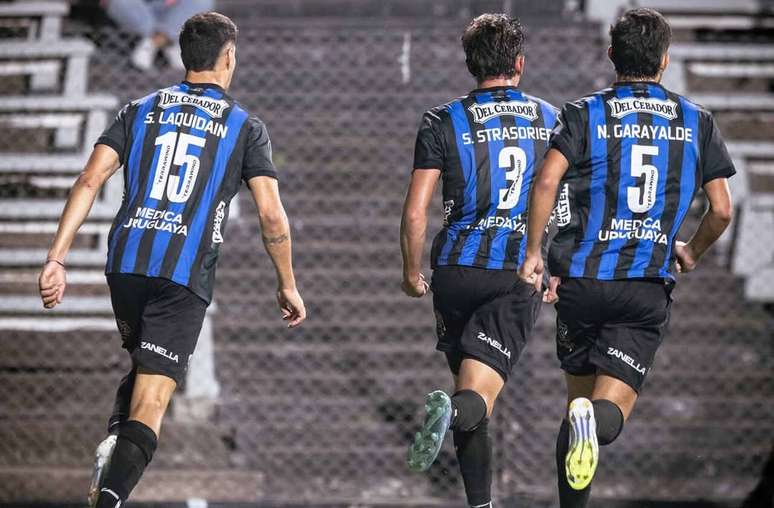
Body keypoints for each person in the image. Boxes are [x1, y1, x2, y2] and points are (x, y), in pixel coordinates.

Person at [37, 12, 306, 508]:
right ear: (229, 57)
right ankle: (112, 495)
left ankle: (114, 451)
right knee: (155, 402)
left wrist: (57, 258)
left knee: (144, 371)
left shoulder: (139, 108)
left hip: (125, 266)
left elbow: (89, 181)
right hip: (180, 276)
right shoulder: (245, 127)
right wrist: (287, 282)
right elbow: (272, 216)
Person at [518, 8, 735, 507]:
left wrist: (534, 251)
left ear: (612, 54)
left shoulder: (581, 113)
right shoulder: (696, 120)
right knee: (604, 415)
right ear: (664, 59)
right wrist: (692, 251)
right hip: (643, 288)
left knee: (577, 406)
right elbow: (721, 211)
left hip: (581, 283)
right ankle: (593, 422)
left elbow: (547, 181)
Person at [400, 13, 558, 508]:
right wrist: (560, 267)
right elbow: (563, 202)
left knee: (471, 392)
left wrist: (410, 272)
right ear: (519, 63)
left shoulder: (442, 120)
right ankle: (449, 414)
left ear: (471, 65)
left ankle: (479, 503)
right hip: (515, 270)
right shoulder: (552, 118)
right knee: (475, 397)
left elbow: (415, 212)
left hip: (455, 271)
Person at [103, 0, 214, 71]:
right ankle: (169, 42)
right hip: (136, 6)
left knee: (202, 1)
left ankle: (152, 43)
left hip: (170, 7)